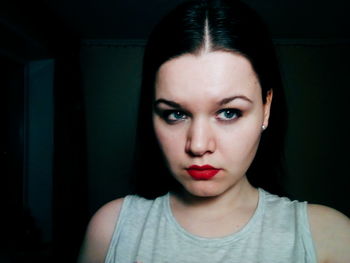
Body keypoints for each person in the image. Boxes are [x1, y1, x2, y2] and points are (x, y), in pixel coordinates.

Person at [78, 0, 350, 262]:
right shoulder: (111, 229)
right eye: (176, 114)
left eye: (229, 113)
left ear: (266, 108)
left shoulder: (330, 236)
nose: (198, 145)